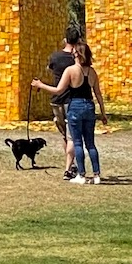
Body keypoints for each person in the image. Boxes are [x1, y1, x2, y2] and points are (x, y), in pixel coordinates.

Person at [32, 41, 107, 184]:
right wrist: (103, 113)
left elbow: (58, 90)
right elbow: (98, 94)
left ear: (77, 54)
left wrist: (40, 85)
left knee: (77, 142)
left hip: (75, 106)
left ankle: (82, 175)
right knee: (90, 143)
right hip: (89, 106)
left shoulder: (71, 70)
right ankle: (97, 175)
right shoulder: (92, 72)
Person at [47, 26, 80, 180]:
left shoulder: (55, 57)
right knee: (72, 135)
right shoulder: (77, 58)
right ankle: (70, 167)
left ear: (65, 40)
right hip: (71, 100)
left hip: (56, 101)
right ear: (78, 40)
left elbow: (50, 69)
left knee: (64, 135)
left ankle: (70, 163)